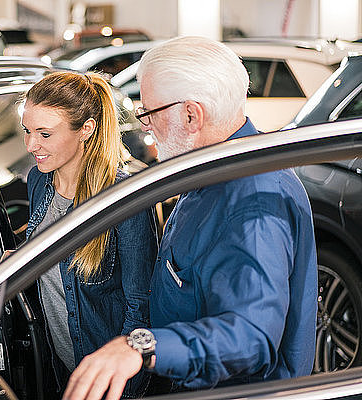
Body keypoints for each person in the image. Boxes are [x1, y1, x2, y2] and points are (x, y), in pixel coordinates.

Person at [63, 36, 318, 400]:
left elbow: (250, 337)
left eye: (148, 112)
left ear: (190, 114)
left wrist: (143, 347)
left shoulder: (252, 203)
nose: (146, 126)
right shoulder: (211, 167)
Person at [20, 71, 158, 398]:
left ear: (86, 129)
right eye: (27, 131)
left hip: (107, 382)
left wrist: (121, 386)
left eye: (44, 134)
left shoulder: (124, 199)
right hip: (61, 367)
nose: (30, 145)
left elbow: (141, 307)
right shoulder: (39, 182)